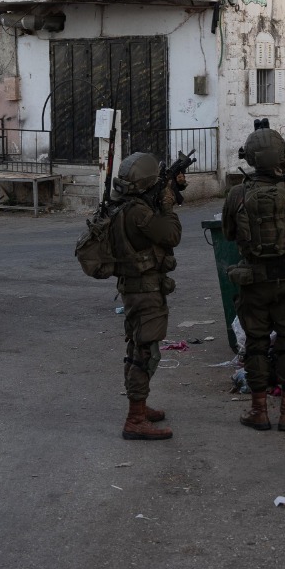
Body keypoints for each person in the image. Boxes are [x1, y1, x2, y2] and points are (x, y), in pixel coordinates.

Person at [222, 127, 285, 432]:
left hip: (253, 282)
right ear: (282, 155)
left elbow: (228, 234)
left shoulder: (237, 193)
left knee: (255, 345)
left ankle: (258, 411)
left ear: (250, 158)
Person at [109, 152, 182, 441]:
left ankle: (139, 405)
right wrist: (167, 205)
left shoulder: (124, 205)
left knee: (137, 346)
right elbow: (171, 235)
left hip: (135, 288)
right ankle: (135, 418)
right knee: (145, 352)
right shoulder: (138, 213)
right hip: (145, 291)